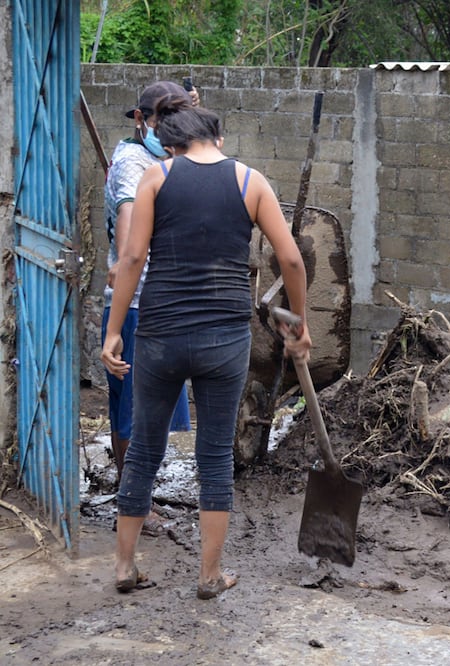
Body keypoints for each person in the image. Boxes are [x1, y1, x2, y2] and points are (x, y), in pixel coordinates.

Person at [100, 90, 312, 599]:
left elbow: (130, 261)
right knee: (214, 455)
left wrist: (113, 330)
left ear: (169, 143)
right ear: (218, 138)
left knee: (145, 450)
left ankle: (126, 567)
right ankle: (209, 575)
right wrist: (298, 323)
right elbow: (293, 260)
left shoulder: (156, 177)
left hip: (159, 335)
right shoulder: (249, 180)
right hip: (224, 339)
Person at [103, 80, 196, 536]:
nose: (170, 131)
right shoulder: (134, 165)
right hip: (142, 305)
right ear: (141, 119)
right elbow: (128, 244)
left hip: (145, 304)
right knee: (143, 413)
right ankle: (135, 505)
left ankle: (131, 498)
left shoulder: (158, 157)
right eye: (163, 120)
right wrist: (124, 272)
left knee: (133, 409)